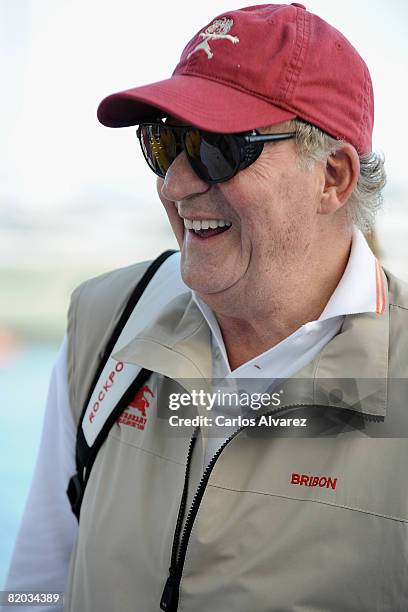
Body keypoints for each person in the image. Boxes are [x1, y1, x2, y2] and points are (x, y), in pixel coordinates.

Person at [5, 3, 408, 611]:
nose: (174, 182)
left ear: (333, 177)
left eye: (219, 147)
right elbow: (37, 586)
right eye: (163, 142)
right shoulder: (106, 321)